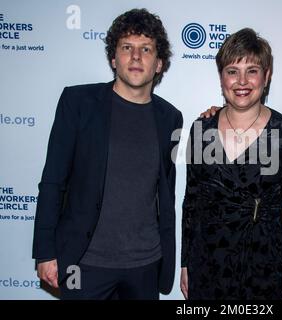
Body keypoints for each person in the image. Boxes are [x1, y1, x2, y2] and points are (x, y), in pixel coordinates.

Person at [32, 8, 183, 300]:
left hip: (145, 264)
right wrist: (45, 251)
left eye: (146, 49)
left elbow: (165, 189)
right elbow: (52, 180)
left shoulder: (170, 118)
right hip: (84, 262)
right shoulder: (78, 103)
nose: (136, 56)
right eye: (127, 47)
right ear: (114, 59)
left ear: (159, 64)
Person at [180, 28, 282, 300]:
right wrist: (186, 262)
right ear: (221, 77)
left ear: (267, 75)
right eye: (232, 71)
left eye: (252, 70)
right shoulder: (202, 129)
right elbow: (191, 201)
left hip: (263, 271)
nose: (242, 81)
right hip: (207, 266)